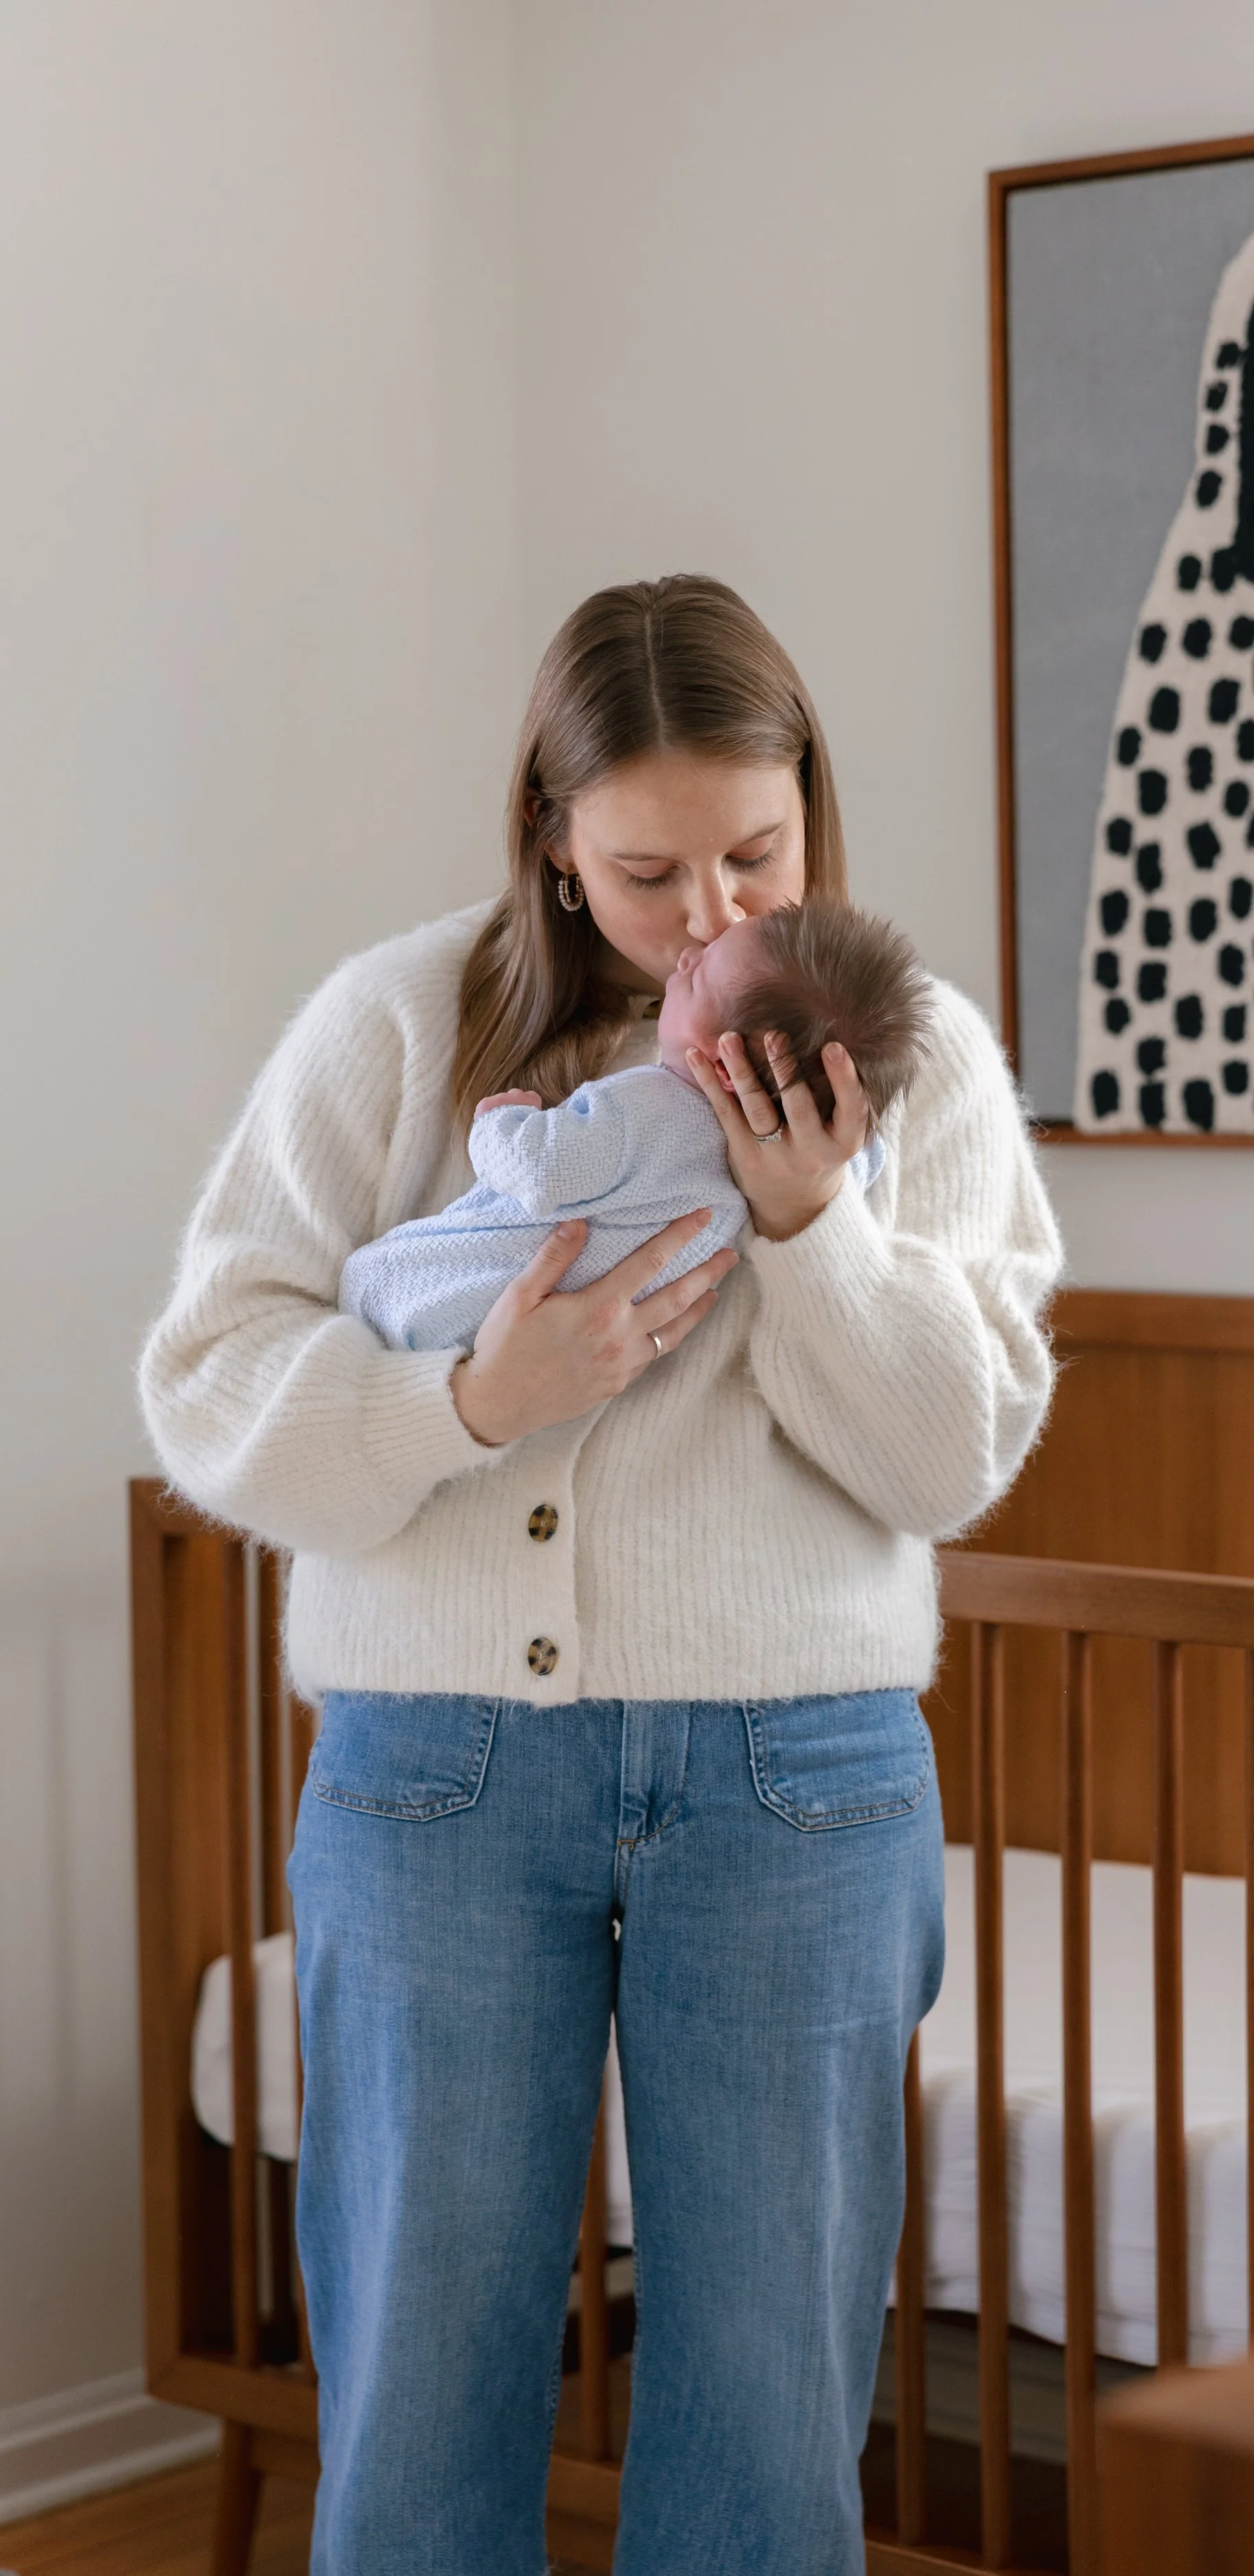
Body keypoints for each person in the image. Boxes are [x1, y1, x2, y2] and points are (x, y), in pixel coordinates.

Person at [139, 574, 1062, 2576]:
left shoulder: (908, 1055)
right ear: (554, 837)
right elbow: (206, 1382)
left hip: (794, 1778)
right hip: (442, 1774)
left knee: (770, 2407)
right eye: (649, 872)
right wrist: (472, 1398)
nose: (711, 914)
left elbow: (952, 1453)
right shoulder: (399, 1023)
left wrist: (813, 1227)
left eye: (757, 853)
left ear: (810, 808)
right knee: (417, 2383)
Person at [338, 899, 929, 1355]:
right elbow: (862, 1165)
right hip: (566, 1334)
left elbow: (544, 1171)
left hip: (458, 1301)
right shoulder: (826, 1157)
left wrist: (501, 1122)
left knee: (372, 1278)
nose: (688, 956)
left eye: (697, 978)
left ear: (724, 1066)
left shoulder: (648, 1107)